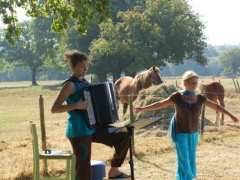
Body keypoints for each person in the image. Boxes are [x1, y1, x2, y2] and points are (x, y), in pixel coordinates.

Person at [135, 70, 239, 180]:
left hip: (193, 132)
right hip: (180, 131)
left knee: (191, 157)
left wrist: (231, 115)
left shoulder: (200, 98)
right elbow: (160, 104)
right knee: (183, 159)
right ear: (185, 83)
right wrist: (143, 108)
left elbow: (217, 107)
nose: (195, 85)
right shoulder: (177, 96)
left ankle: (182, 178)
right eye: (193, 83)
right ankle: (188, 178)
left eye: (196, 83)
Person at [51, 50, 130, 180]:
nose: (86, 69)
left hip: (93, 127)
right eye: (82, 66)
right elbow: (54, 108)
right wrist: (76, 105)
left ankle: (114, 170)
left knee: (124, 134)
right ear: (73, 67)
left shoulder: (85, 83)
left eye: (86, 66)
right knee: (83, 167)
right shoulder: (70, 85)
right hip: (79, 131)